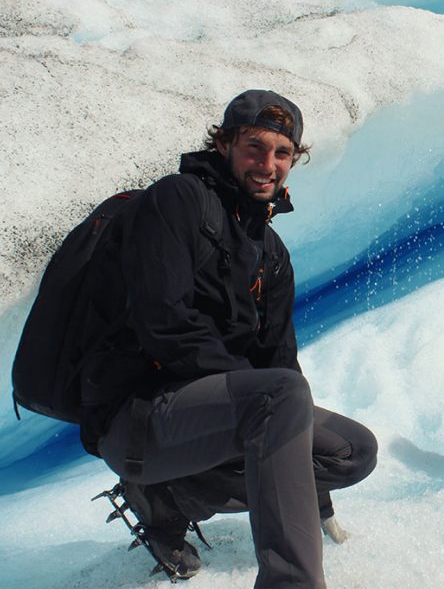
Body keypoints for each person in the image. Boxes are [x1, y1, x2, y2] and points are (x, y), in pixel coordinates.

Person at [79, 90, 377, 587]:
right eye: (253, 148)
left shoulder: (271, 254)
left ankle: (169, 497)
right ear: (223, 144)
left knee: (351, 450)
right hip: (139, 417)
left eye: (282, 153)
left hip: (219, 413)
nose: (268, 164)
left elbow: (282, 367)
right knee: (276, 396)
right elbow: (164, 326)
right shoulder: (176, 200)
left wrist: (309, 487)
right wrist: (265, 400)